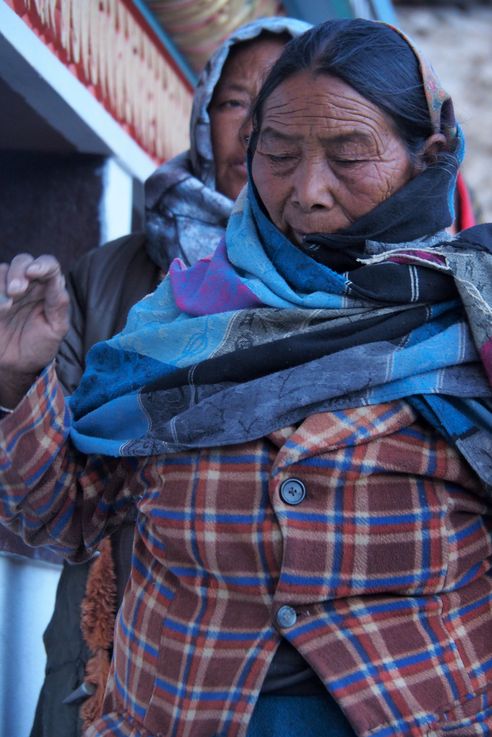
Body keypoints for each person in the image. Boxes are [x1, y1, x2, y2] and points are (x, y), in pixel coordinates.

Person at [1, 17, 491, 737]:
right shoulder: (175, 317)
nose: (307, 193)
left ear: (431, 156)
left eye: (349, 155)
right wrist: (18, 376)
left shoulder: (473, 318)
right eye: (279, 153)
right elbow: (53, 520)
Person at [25, 16, 310, 737]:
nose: (254, 131)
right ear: (202, 113)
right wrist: (16, 376)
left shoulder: (373, 286)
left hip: (300, 680)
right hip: (115, 655)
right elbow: (48, 507)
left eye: (283, 104)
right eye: (237, 102)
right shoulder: (112, 275)